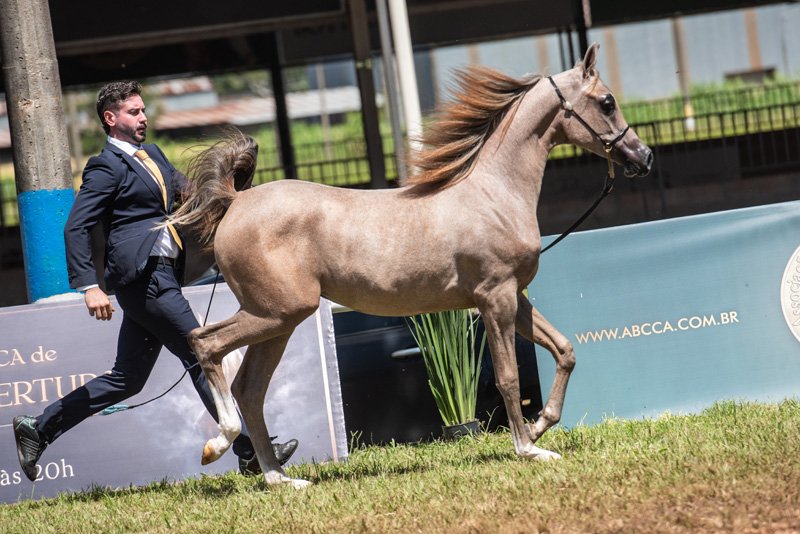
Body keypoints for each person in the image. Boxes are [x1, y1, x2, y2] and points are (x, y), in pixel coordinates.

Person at [12, 81, 296, 481]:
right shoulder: (105, 166)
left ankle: (38, 429)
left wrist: (236, 187)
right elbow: (76, 226)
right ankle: (251, 450)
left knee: (127, 380)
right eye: (134, 112)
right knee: (204, 353)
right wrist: (88, 286)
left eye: (143, 110)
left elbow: (191, 193)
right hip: (142, 279)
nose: (143, 117)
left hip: (162, 275)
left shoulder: (153, 156)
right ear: (111, 119)